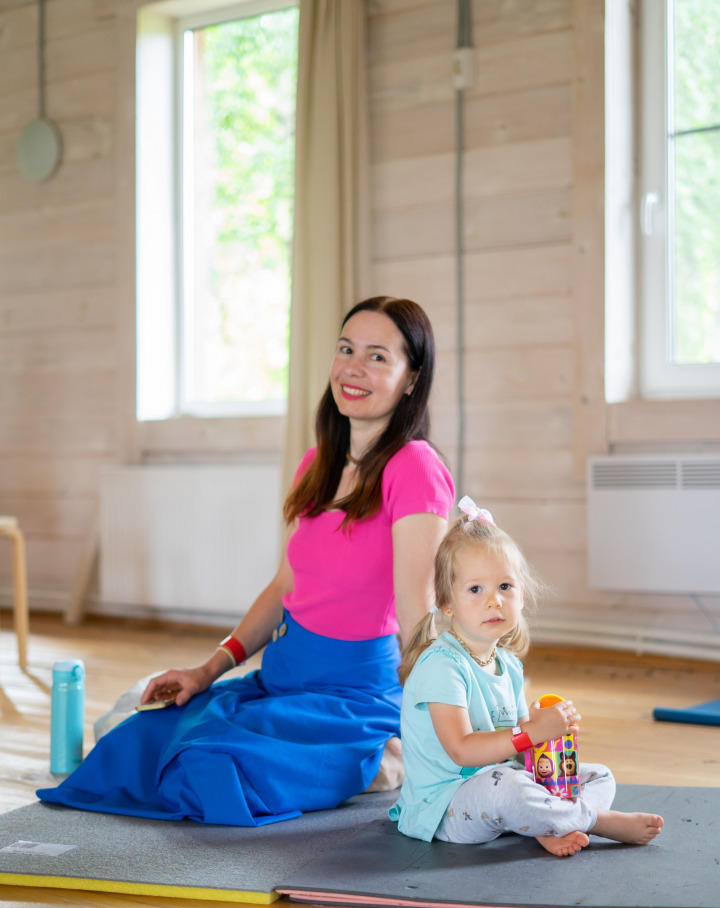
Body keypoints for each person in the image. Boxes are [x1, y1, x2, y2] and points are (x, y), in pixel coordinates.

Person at [37, 297, 454, 826]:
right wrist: (206, 671)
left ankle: (384, 758)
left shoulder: (414, 466)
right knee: (131, 743)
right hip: (279, 680)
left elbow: (418, 609)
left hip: (351, 698)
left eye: (377, 357)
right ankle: (345, 757)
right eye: (346, 349)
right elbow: (285, 587)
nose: (353, 368)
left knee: (205, 767)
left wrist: (447, 725)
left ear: (412, 378)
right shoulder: (315, 464)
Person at [389, 498, 664, 857]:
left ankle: (549, 822)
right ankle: (595, 820)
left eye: (505, 586)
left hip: (502, 783)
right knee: (508, 787)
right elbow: (462, 750)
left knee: (599, 775)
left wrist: (550, 737)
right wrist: (531, 732)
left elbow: (519, 751)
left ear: (521, 594)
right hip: (446, 807)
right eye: (476, 589)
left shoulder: (509, 665)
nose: (495, 601)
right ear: (447, 603)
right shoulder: (441, 665)